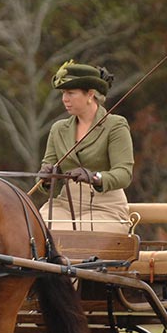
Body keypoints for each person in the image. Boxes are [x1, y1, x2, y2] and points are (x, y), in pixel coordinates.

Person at [38, 60, 134, 234]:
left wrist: (94, 177)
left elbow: (124, 174)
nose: (64, 99)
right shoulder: (58, 129)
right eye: (63, 93)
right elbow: (47, 175)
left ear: (90, 94)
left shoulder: (115, 125)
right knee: (35, 229)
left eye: (70, 93)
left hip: (105, 208)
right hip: (65, 206)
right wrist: (46, 178)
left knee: (76, 234)